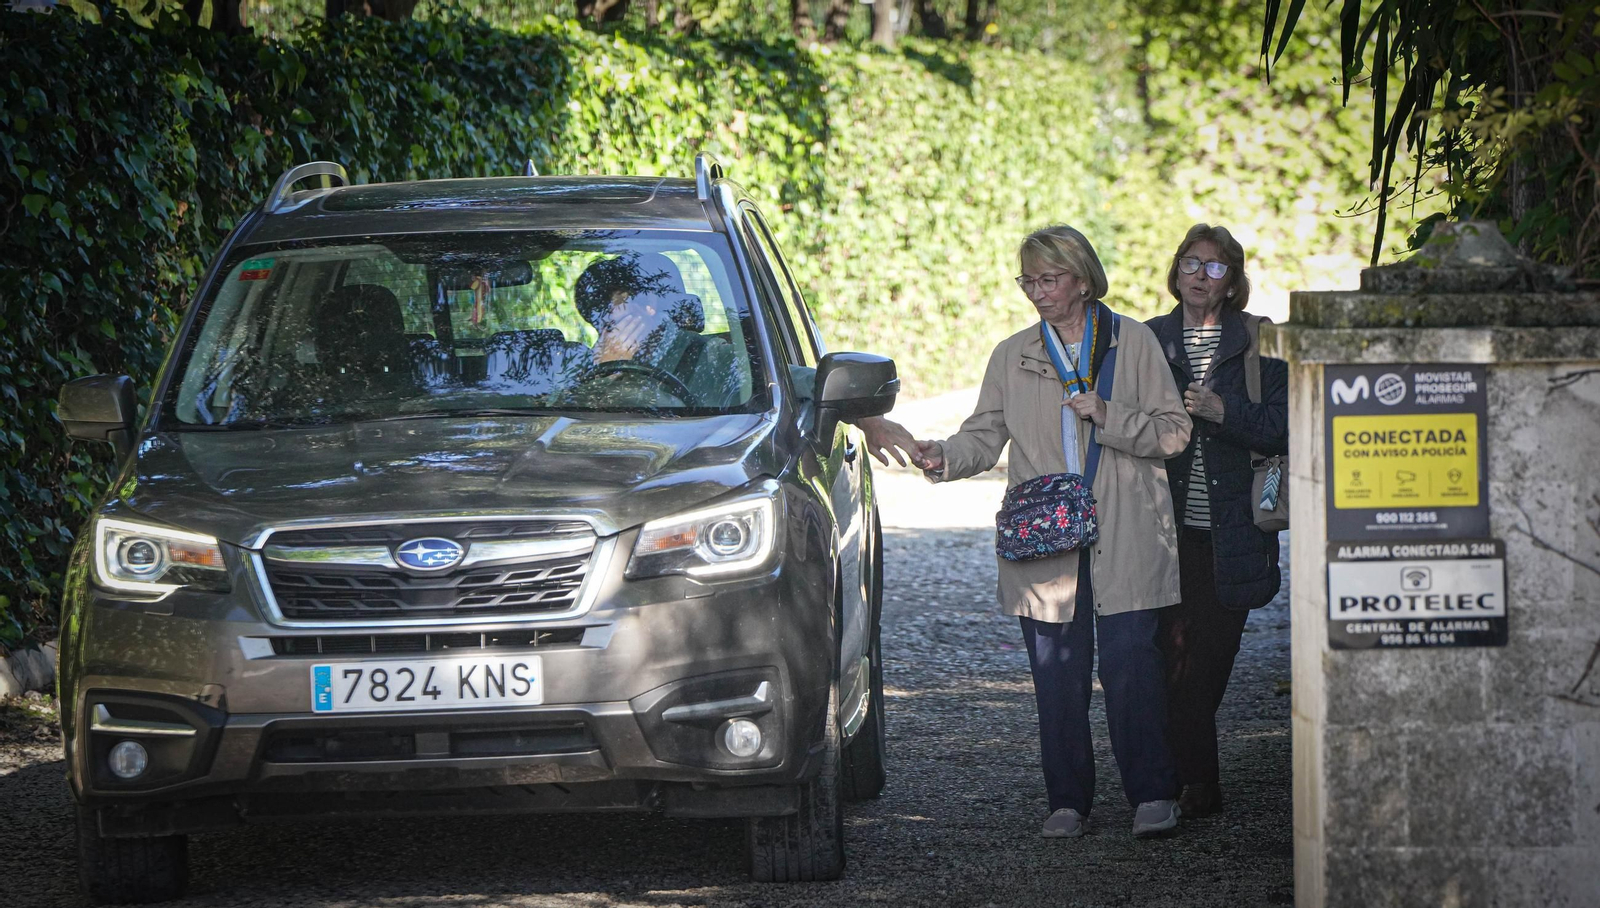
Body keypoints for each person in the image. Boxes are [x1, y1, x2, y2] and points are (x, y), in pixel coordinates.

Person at [909, 225, 1192, 838]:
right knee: (1055, 672)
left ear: (1083, 281)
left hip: (1127, 529)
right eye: (1028, 281)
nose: (1037, 292)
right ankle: (1067, 802)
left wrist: (1110, 416)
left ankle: (1153, 795)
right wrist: (943, 457)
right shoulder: (1012, 354)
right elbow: (983, 435)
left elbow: (1174, 433)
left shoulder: (1133, 341)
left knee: (1131, 666)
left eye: (1049, 279)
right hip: (1046, 534)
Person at [1145, 224, 1288, 818]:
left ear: (1234, 281)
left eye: (1215, 267)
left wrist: (1222, 411)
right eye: (1191, 263)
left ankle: (1186, 768)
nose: (1201, 276)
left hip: (1233, 527)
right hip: (1161, 525)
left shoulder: (1262, 339)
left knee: (1213, 654)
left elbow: (1286, 426)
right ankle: (1197, 780)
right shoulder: (1146, 340)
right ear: (1175, 271)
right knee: (1172, 653)